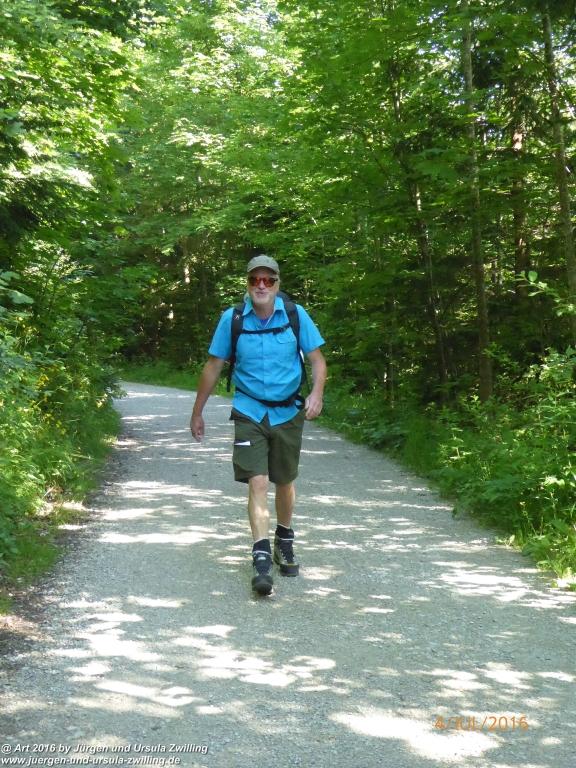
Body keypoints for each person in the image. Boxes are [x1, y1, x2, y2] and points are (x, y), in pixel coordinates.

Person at [190, 255, 327, 596]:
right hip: (249, 410)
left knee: (285, 480)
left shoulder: (296, 316)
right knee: (259, 480)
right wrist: (197, 412)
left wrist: (317, 393)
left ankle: (284, 537)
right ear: (248, 284)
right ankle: (261, 555)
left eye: (268, 280)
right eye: (255, 280)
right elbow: (213, 366)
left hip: (288, 412)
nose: (261, 286)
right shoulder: (232, 319)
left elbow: (317, 360)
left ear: (278, 284)